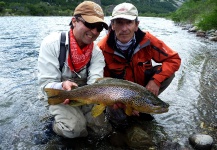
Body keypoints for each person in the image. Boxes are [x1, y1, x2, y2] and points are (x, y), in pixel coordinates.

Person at [38, 1, 111, 139]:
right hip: (57, 94)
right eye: (89, 24)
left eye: (99, 27)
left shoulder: (96, 53)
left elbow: (95, 82)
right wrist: (61, 86)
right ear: (74, 21)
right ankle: (53, 126)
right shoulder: (52, 44)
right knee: (75, 129)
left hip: (85, 94)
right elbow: (45, 85)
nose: (94, 32)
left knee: (100, 130)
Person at [98, 3, 181, 123]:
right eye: (119, 22)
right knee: (120, 121)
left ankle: (145, 105)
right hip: (116, 93)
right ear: (113, 26)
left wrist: (155, 81)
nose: (124, 28)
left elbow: (174, 59)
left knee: (167, 74)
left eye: (129, 22)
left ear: (136, 25)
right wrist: (121, 104)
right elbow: (101, 82)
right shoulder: (102, 48)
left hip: (141, 90)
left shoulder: (148, 40)